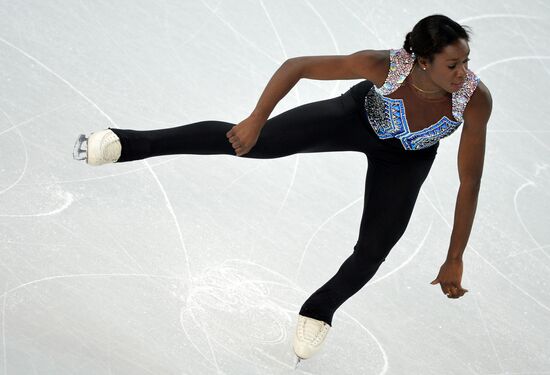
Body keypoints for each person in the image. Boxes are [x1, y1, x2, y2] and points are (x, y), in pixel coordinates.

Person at [73, 14, 492, 361]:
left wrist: (454, 257)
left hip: (407, 157)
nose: (463, 73)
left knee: (374, 249)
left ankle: (319, 310)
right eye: (452, 64)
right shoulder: (382, 65)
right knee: (251, 144)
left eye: (466, 62)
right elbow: (298, 66)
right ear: (421, 61)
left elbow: (468, 182)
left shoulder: (472, 99)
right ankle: (128, 142)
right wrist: (256, 119)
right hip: (354, 117)